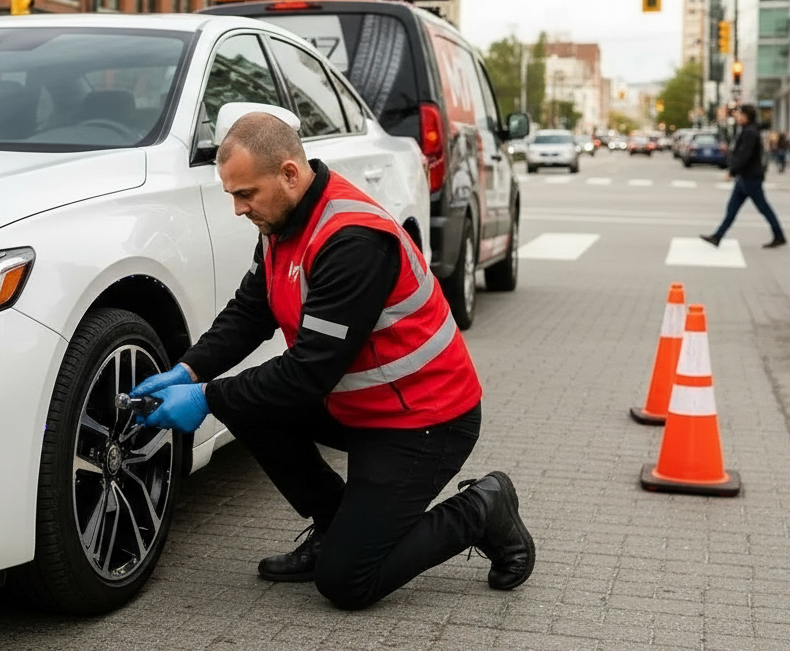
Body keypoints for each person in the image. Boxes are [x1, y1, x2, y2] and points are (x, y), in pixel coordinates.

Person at [130, 112, 534, 611]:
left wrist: (206, 398)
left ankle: (483, 508)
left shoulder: (352, 241)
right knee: (246, 404)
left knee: (347, 582)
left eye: (245, 193)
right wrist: (190, 370)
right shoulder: (282, 218)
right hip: (360, 406)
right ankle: (334, 526)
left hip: (422, 421)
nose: (237, 208)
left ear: (289, 173)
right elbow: (251, 312)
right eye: (231, 194)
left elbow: (307, 373)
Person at [700, 104, 787, 249]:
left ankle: (779, 235)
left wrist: (732, 171)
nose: (737, 117)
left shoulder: (750, 132)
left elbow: (744, 155)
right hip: (744, 177)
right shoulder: (748, 131)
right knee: (732, 209)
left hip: (750, 177)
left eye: (740, 114)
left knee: (763, 208)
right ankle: (718, 236)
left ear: (747, 116)